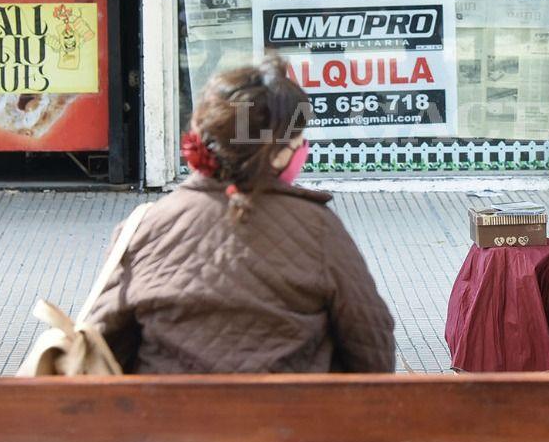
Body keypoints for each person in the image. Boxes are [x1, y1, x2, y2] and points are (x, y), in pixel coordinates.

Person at [84, 59, 397, 374]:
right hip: (290, 420)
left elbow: (104, 344)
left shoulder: (145, 227)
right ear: (275, 151)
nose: (302, 146)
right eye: (297, 137)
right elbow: (373, 355)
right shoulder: (319, 229)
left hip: (168, 420)